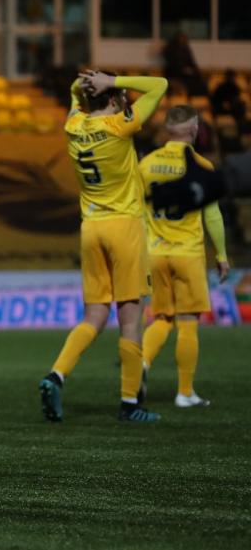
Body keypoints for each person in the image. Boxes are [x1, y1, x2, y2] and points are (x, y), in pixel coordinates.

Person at [38, 70, 168, 424]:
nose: (126, 100)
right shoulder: (120, 126)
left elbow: (72, 90)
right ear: (111, 99)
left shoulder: (73, 125)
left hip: (91, 228)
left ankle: (56, 375)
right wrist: (115, 80)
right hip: (124, 228)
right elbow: (160, 86)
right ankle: (129, 404)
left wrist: (89, 85)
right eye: (121, 96)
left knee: (94, 316)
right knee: (130, 318)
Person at [139, 105, 229, 408]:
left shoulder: (147, 163)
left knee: (162, 319)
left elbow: (138, 212)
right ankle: (185, 392)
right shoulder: (200, 165)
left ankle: (140, 366)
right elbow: (212, 214)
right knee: (188, 323)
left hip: (155, 252)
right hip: (187, 254)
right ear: (193, 129)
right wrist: (222, 254)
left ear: (167, 130)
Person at [210, 69, 247, 134]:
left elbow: (236, 100)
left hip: (229, 109)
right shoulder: (222, 87)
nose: (232, 78)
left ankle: (241, 129)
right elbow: (215, 100)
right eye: (231, 77)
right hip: (220, 109)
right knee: (240, 108)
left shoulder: (234, 87)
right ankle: (241, 130)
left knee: (241, 106)